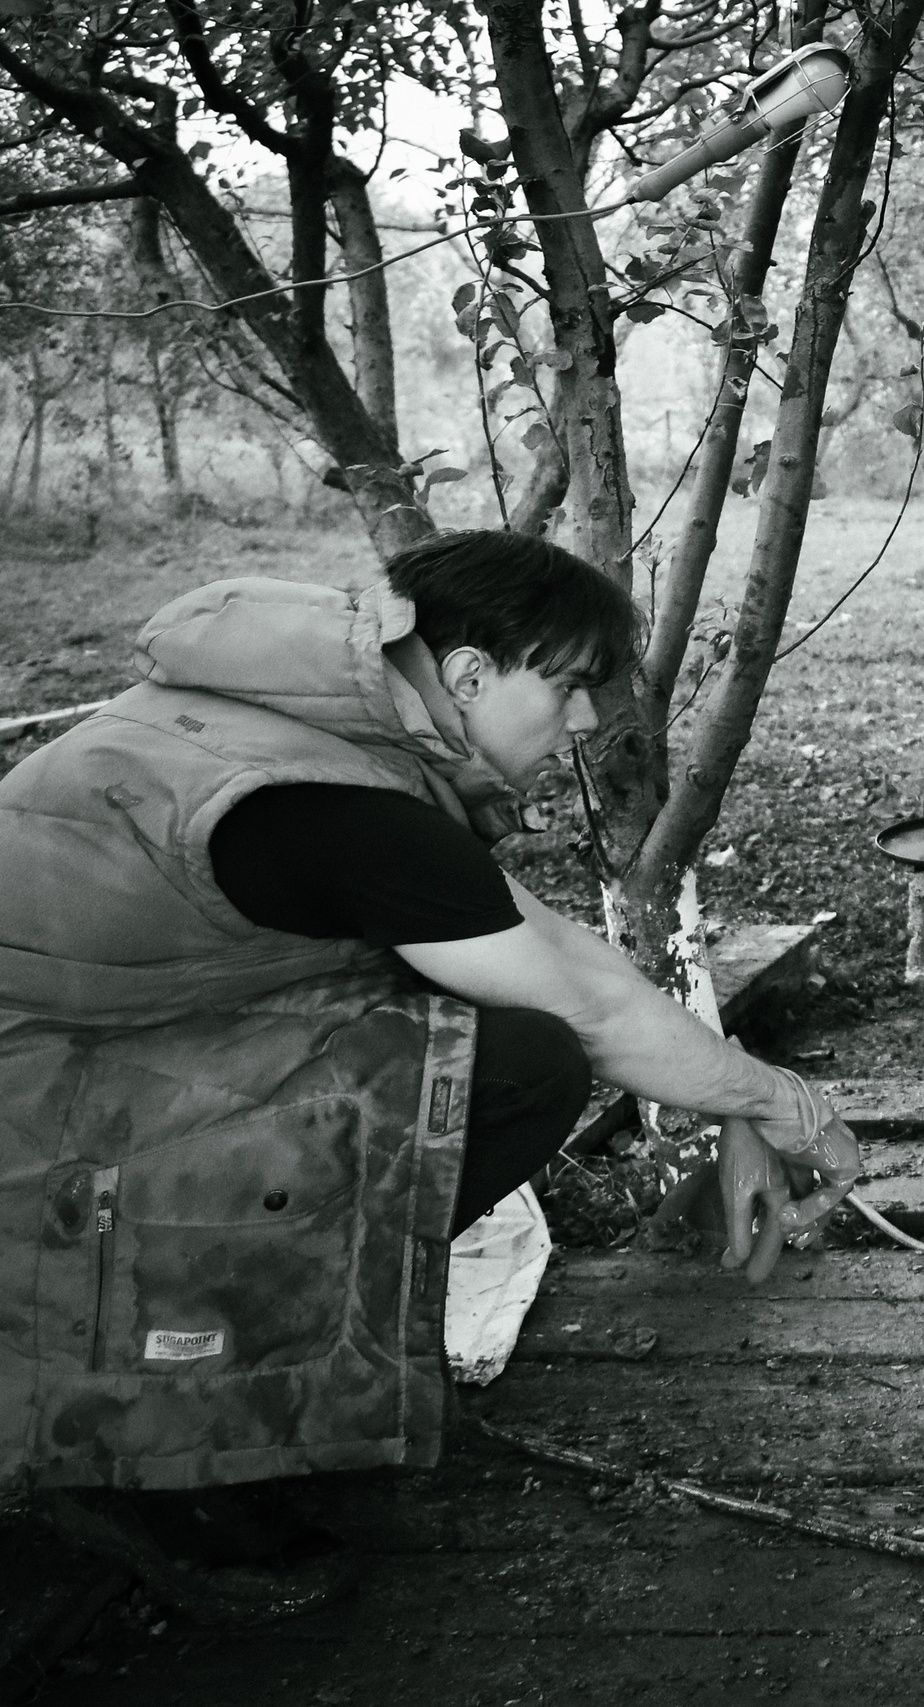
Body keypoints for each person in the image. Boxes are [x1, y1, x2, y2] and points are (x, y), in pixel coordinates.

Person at [0, 530, 859, 1620]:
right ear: (468, 674)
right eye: (569, 687)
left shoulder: (306, 733)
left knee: (503, 1049)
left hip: (80, 1068)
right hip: (37, 1136)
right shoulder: (331, 800)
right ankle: (147, 1451)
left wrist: (735, 1097)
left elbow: (563, 953)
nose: (583, 723)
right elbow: (586, 1010)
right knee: (510, 1070)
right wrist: (786, 1106)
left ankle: (270, 1368)